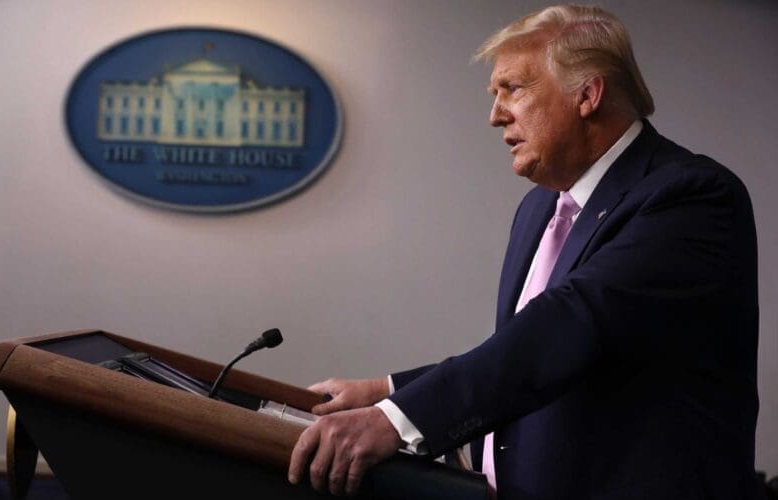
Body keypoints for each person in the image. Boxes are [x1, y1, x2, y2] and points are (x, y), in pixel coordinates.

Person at [288, 5, 763, 499]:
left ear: (587, 95)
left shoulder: (691, 196)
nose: (495, 115)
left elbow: (570, 327)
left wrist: (397, 420)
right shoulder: (540, 208)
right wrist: (388, 390)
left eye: (512, 89)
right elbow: (534, 352)